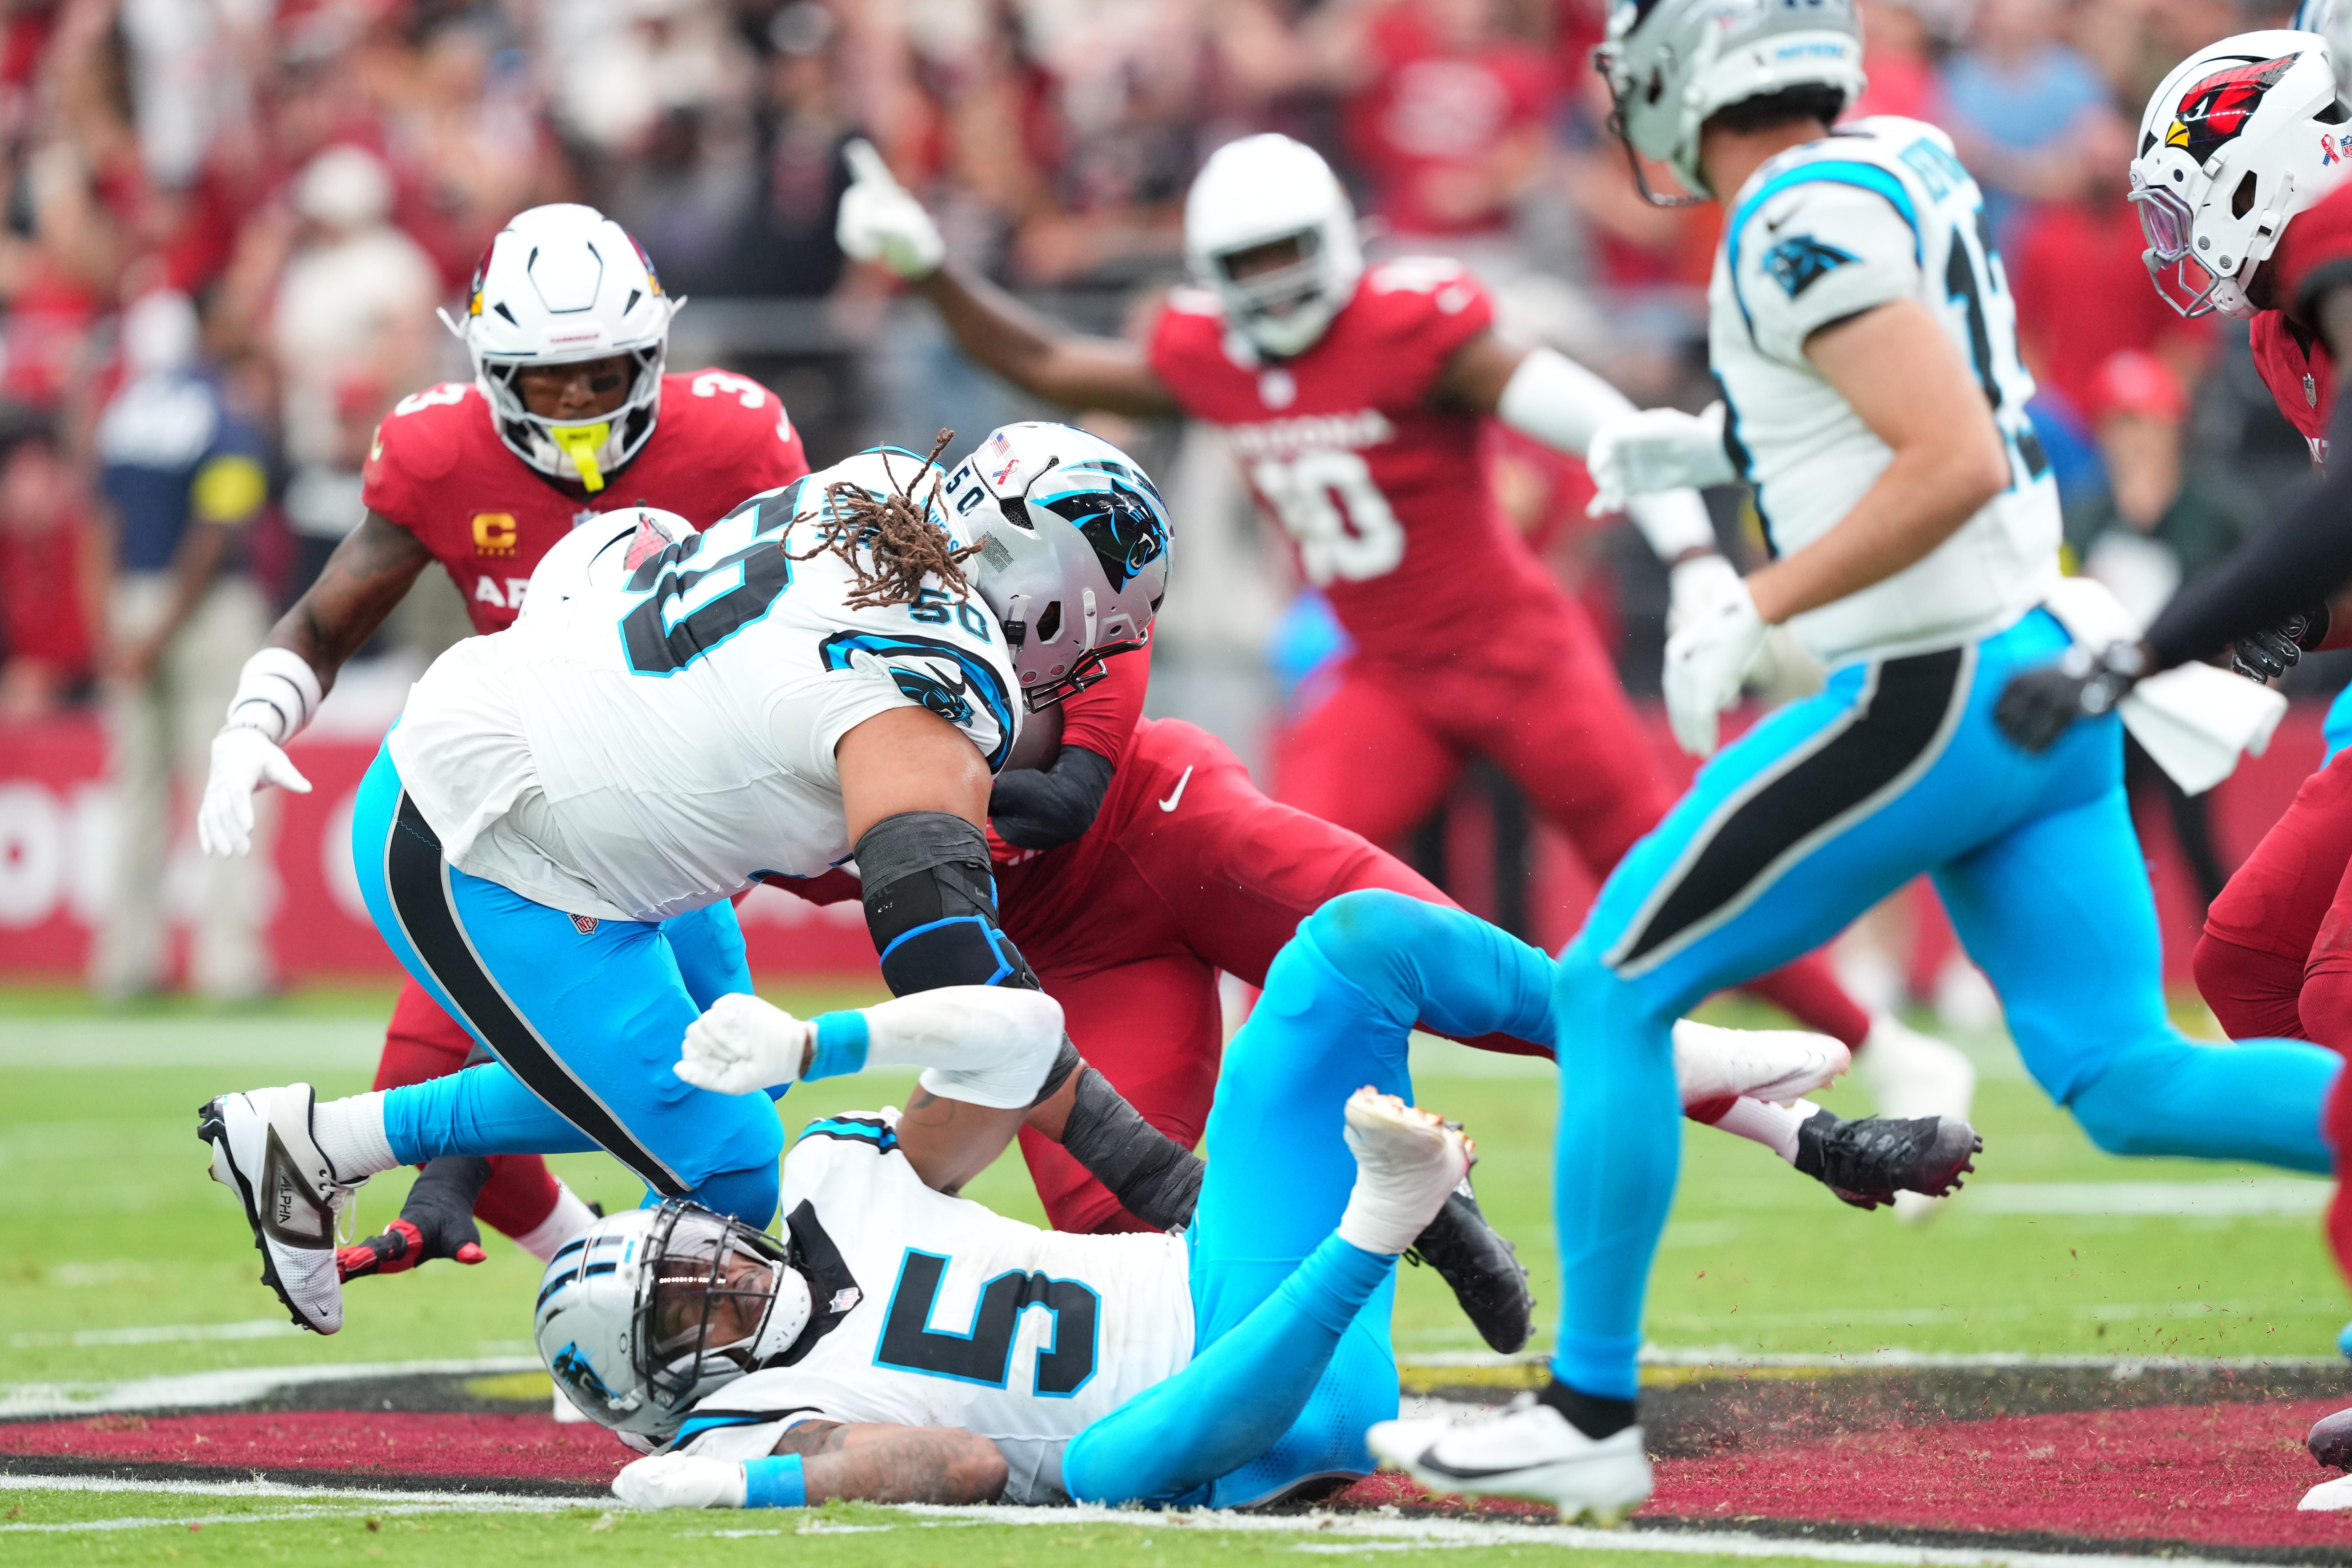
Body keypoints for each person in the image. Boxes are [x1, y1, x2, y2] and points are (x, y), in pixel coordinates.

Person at [1372, 0, 2348, 1521]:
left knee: (1611, 981)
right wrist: (1709, 449)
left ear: (1704, 65)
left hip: (1936, 684)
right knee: (2122, 1073)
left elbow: (1944, 447)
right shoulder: (1894, 159)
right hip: (2032, 659)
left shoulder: (1787, 214)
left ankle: (1586, 1408)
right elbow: (1888, 392)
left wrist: (1751, 598)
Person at [833, 132, 1976, 1142]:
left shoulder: (1414, 324)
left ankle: (1869, 1039)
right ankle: (1235, 1133)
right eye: (1247, 266)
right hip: (1383, 673)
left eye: (1288, 252)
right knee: (1248, 862)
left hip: (1514, 650)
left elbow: (1605, 430)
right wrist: (930, 270)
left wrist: (1690, 564)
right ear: (1211, 276)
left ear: (1337, 239)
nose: (1273, 286)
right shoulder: (1210, 355)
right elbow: (1047, 364)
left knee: (1660, 857)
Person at [194, 421, 1170, 1338]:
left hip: (552, 763)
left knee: (707, 1075)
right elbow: (951, 974)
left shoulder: (877, 482)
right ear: (1043, 599)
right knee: (735, 1165)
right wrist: (1159, 1175)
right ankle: (346, 1160)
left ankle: (316, 1139)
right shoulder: (930, 683)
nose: (1083, 669)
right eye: (1092, 641)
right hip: (486, 841)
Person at [530, 891, 1857, 1511]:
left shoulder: (831, 1177)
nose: (726, 1271)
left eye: (695, 1251)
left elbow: (1016, 1042)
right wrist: (739, 1486)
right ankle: (1375, 1225)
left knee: (1351, 943)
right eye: (691, 1303)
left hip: (1250, 1284)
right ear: (658, 1389)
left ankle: (1641, 1044)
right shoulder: (727, 1432)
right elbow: (959, 1464)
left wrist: (820, 1045)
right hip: (1205, 1442)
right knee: (1095, 1474)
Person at [196, 202, 811, 1275]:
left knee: (733, 1089)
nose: (575, 403)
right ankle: (615, 1286)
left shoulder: (735, 439)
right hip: (507, 805)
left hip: (661, 813)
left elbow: (805, 635)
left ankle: (650, 1294)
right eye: (547, 379)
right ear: (488, 367)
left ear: (654, 354)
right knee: (699, 1121)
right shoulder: (437, 451)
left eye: (603, 374)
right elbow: (328, 616)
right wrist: (254, 718)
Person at [1994, 24, 2352, 1511]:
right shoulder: (2287, 307)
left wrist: (2152, 648)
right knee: (2251, 962)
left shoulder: (2334, 243)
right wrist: (2251, 659)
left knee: (2331, 992)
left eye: (2187, 194)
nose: (2173, 240)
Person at [89, 290, 276, 1003]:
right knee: (229, 779)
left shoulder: (120, 414)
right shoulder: (223, 412)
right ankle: (226, 962)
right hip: (204, 609)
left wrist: (113, 626)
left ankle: (123, 962)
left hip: (130, 603)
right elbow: (221, 524)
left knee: (133, 787)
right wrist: (164, 625)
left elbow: (99, 519)